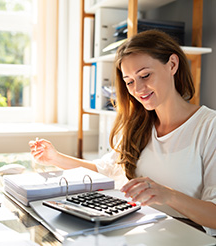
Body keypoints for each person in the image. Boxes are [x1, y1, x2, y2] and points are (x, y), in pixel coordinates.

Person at [29, 30, 216, 236]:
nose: (139, 89)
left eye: (145, 75)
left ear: (172, 65)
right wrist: (55, 158)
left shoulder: (209, 127)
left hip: (186, 236)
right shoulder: (138, 125)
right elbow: (106, 170)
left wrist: (168, 196)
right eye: (130, 81)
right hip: (138, 230)